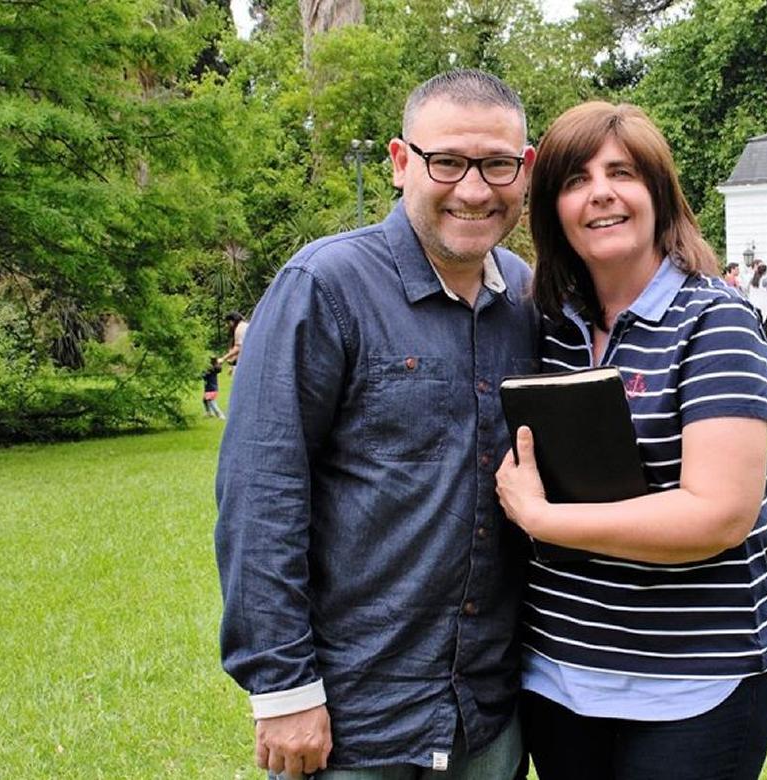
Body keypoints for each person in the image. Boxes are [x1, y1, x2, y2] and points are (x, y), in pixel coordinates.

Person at [214, 69, 539, 778]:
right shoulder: (325, 286)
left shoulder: (526, 298)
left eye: (497, 164)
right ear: (399, 161)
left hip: (487, 714)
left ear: (526, 168)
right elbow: (261, 492)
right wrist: (283, 689)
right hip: (355, 719)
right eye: (446, 161)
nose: (474, 189)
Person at [495, 101, 767, 780]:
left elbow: (718, 514)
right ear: (555, 211)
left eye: (621, 172)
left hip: (695, 687)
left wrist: (543, 519)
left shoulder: (715, 321)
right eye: (576, 180)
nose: (600, 192)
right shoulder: (548, 326)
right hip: (557, 681)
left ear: (658, 193)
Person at [748, 262, 767, 334]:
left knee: (756, 323)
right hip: (764, 305)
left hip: (754, 304)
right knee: (765, 324)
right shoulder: (766, 280)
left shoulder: (752, 279)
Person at [202, 351, 232, 418]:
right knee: (205, 400)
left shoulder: (209, 369)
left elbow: (204, 375)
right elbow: (219, 368)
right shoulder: (215, 368)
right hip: (212, 388)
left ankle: (220, 414)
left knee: (211, 402)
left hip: (210, 389)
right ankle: (209, 413)